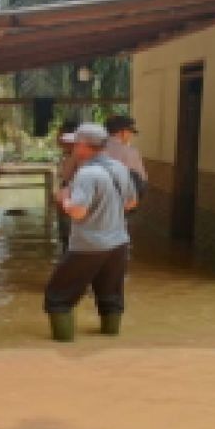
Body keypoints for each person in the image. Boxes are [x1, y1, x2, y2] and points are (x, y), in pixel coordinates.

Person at [45, 123, 138, 341]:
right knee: (110, 295)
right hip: (118, 244)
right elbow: (131, 202)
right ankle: (110, 337)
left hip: (88, 245)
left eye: (75, 144)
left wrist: (64, 200)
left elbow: (78, 212)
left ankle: (63, 344)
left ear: (84, 146)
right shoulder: (119, 168)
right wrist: (107, 209)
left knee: (58, 295)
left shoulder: (87, 174)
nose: (72, 148)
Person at [104, 115, 148, 199]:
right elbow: (142, 181)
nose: (130, 136)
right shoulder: (130, 152)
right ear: (123, 132)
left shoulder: (92, 149)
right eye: (130, 132)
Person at [55, 119, 79, 252]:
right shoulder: (68, 154)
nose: (57, 139)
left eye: (60, 135)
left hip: (72, 196)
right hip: (68, 195)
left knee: (69, 233)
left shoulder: (74, 155)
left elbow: (66, 176)